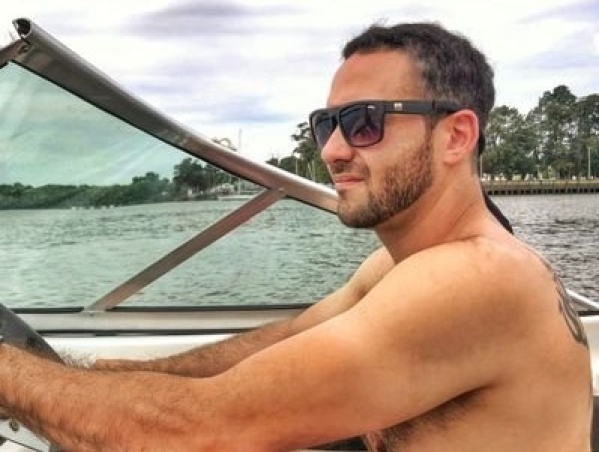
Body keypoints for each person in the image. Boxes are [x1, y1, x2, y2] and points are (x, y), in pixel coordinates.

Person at [0, 22, 592, 451]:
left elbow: (198, 430)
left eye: (365, 123)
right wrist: (100, 376)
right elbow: (280, 342)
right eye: (326, 124)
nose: (332, 150)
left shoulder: (479, 278)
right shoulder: (399, 268)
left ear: (456, 137)